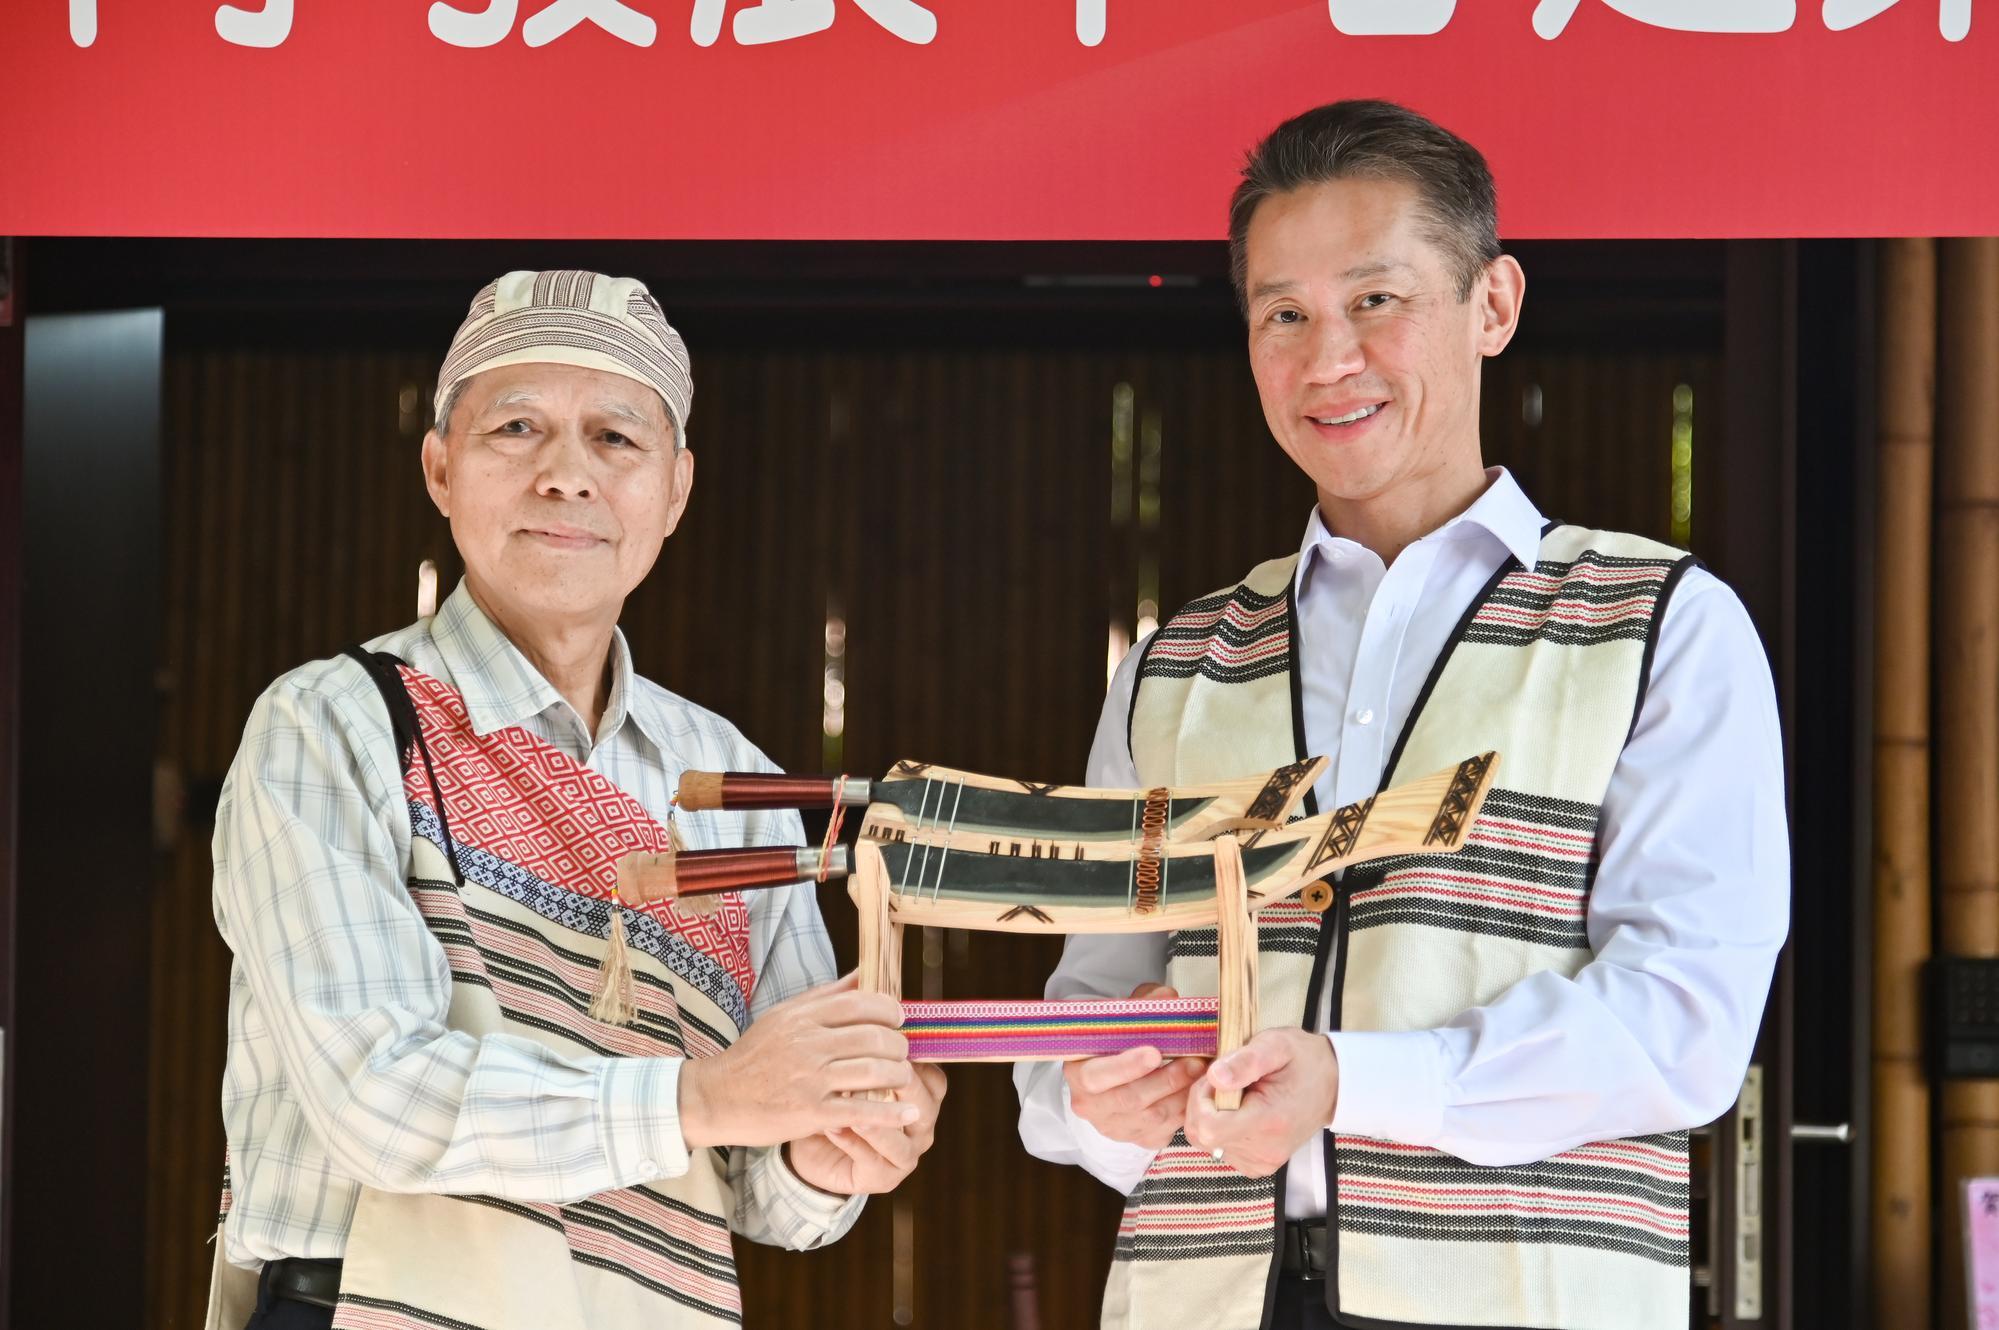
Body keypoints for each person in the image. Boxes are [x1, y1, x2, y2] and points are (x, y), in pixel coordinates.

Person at [1015, 102, 1788, 1330]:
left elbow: (1682, 1024)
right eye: (1283, 314)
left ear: (1493, 304)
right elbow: (1085, 1011)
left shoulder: (1660, 627)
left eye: (1376, 300)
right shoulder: (1174, 665)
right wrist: (1086, 1096)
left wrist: (1354, 1081)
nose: (1328, 358)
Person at [209, 270, 945, 1330]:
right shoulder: (337, 724)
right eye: (517, 427)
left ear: (675, 491)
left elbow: (763, 1196)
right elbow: (382, 1100)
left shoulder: (728, 779)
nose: (567, 475)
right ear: (441, 467)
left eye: (615, 438)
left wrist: (831, 1154)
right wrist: (703, 1099)